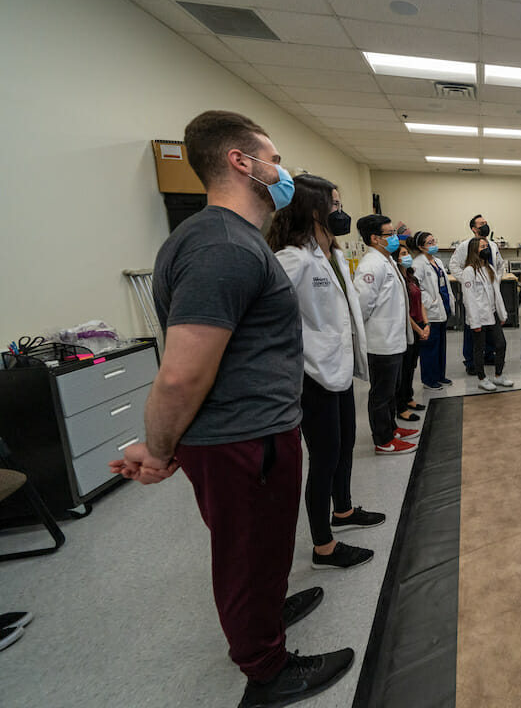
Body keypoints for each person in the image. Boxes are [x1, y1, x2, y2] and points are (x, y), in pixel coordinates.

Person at [109, 110, 352, 707]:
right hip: (243, 438)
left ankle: (267, 615)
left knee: (264, 543)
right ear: (242, 163)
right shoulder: (222, 245)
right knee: (246, 553)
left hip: (252, 431)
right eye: (273, 158)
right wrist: (159, 448)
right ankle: (266, 671)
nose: (281, 170)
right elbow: (182, 373)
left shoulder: (227, 239)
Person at [269, 175, 382, 570]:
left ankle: (345, 510)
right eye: (333, 205)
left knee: (346, 442)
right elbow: (266, 316)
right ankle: (324, 546)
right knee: (324, 457)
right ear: (311, 208)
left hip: (338, 367)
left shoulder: (329, 253)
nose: (340, 212)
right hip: (312, 373)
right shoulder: (293, 258)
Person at [353, 215, 419, 455]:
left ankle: (392, 429)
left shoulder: (386, 260)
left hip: (394, 340)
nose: (395, 238)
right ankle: (383, 440)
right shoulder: (371, 265)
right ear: (374, 238)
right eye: (389, 234)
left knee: (391, 391)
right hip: (380, 343)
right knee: (381, 394)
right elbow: (362, 307)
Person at [450, 214, 505, 375]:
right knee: (473, 329)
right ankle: (471, 361)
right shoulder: (465, 246)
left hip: (491, 294)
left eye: (486, 223)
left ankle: (488, 355)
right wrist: (469, 281)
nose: (485, 226)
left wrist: (496, 280)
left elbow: (500, 265)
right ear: (474, 228)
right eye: (481, 224)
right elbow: (454, 265)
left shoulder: (493, 245)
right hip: (475, 295)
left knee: (490, 329)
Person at [460, 236, 512, 392]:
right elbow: (468, 300)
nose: (486, 249)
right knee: (479, 348)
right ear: (474, 250)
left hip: (492, 314)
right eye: (482, 247)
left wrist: (502, 314)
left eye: (486, 246)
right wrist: (474, 322)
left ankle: (498, 375)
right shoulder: (469, 271)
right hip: (479, 318)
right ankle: (482, 378)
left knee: (501, 344)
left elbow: (497, 293)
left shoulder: (489, 268)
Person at [412, 231, 455, 391]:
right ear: (421, 247)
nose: (433, 244)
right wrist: (431, 302)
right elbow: (417, 289)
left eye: (433, 241)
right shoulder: (418, 264)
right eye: (429, 243)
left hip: (443, 307)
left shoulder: (437, 260)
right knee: (430, 346)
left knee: (441, 346)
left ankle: (439, 375)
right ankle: (429, 379)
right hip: (430, 310)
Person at [393, 237, 429, 422]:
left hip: (419, 324)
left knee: (411, 366)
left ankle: (409, 398)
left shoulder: (411, 277)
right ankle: (400, 407)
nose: (408, 257)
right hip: (408, 327)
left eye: (408, 253)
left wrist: (426, 323)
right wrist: (417, 329)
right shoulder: (397, 280)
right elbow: (403, 309)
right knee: (404, 368)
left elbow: (420, 301)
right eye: (404, 254)